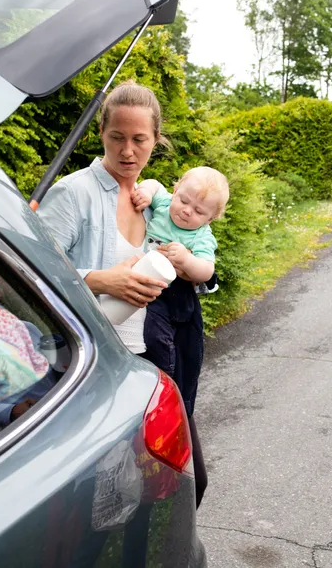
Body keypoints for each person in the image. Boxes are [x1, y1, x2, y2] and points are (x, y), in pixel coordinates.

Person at [36, 80, 209, 508]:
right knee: (104, 499)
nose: (127, 151)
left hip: (152, 364)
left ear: (155, 140)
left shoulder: (156, 203)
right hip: (95, 367)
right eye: (117, 137)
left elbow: (200, 259)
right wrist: (99, 279)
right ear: (101, 134)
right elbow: (30, 273)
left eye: (139, 139)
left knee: (183, 482)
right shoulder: (74, 193)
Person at [131, 166, 229, 421]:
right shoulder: (164, 205)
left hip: (171, 295)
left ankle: (167, 378)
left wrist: (186, 260)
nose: (187, 210)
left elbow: (206, 271)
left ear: (209, 219)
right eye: (184, 200)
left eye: (198, 211)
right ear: (175, 191)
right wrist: (144, 191)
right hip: (143, 280)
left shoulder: (201, 236)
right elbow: (153, 183)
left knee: (158, 338)